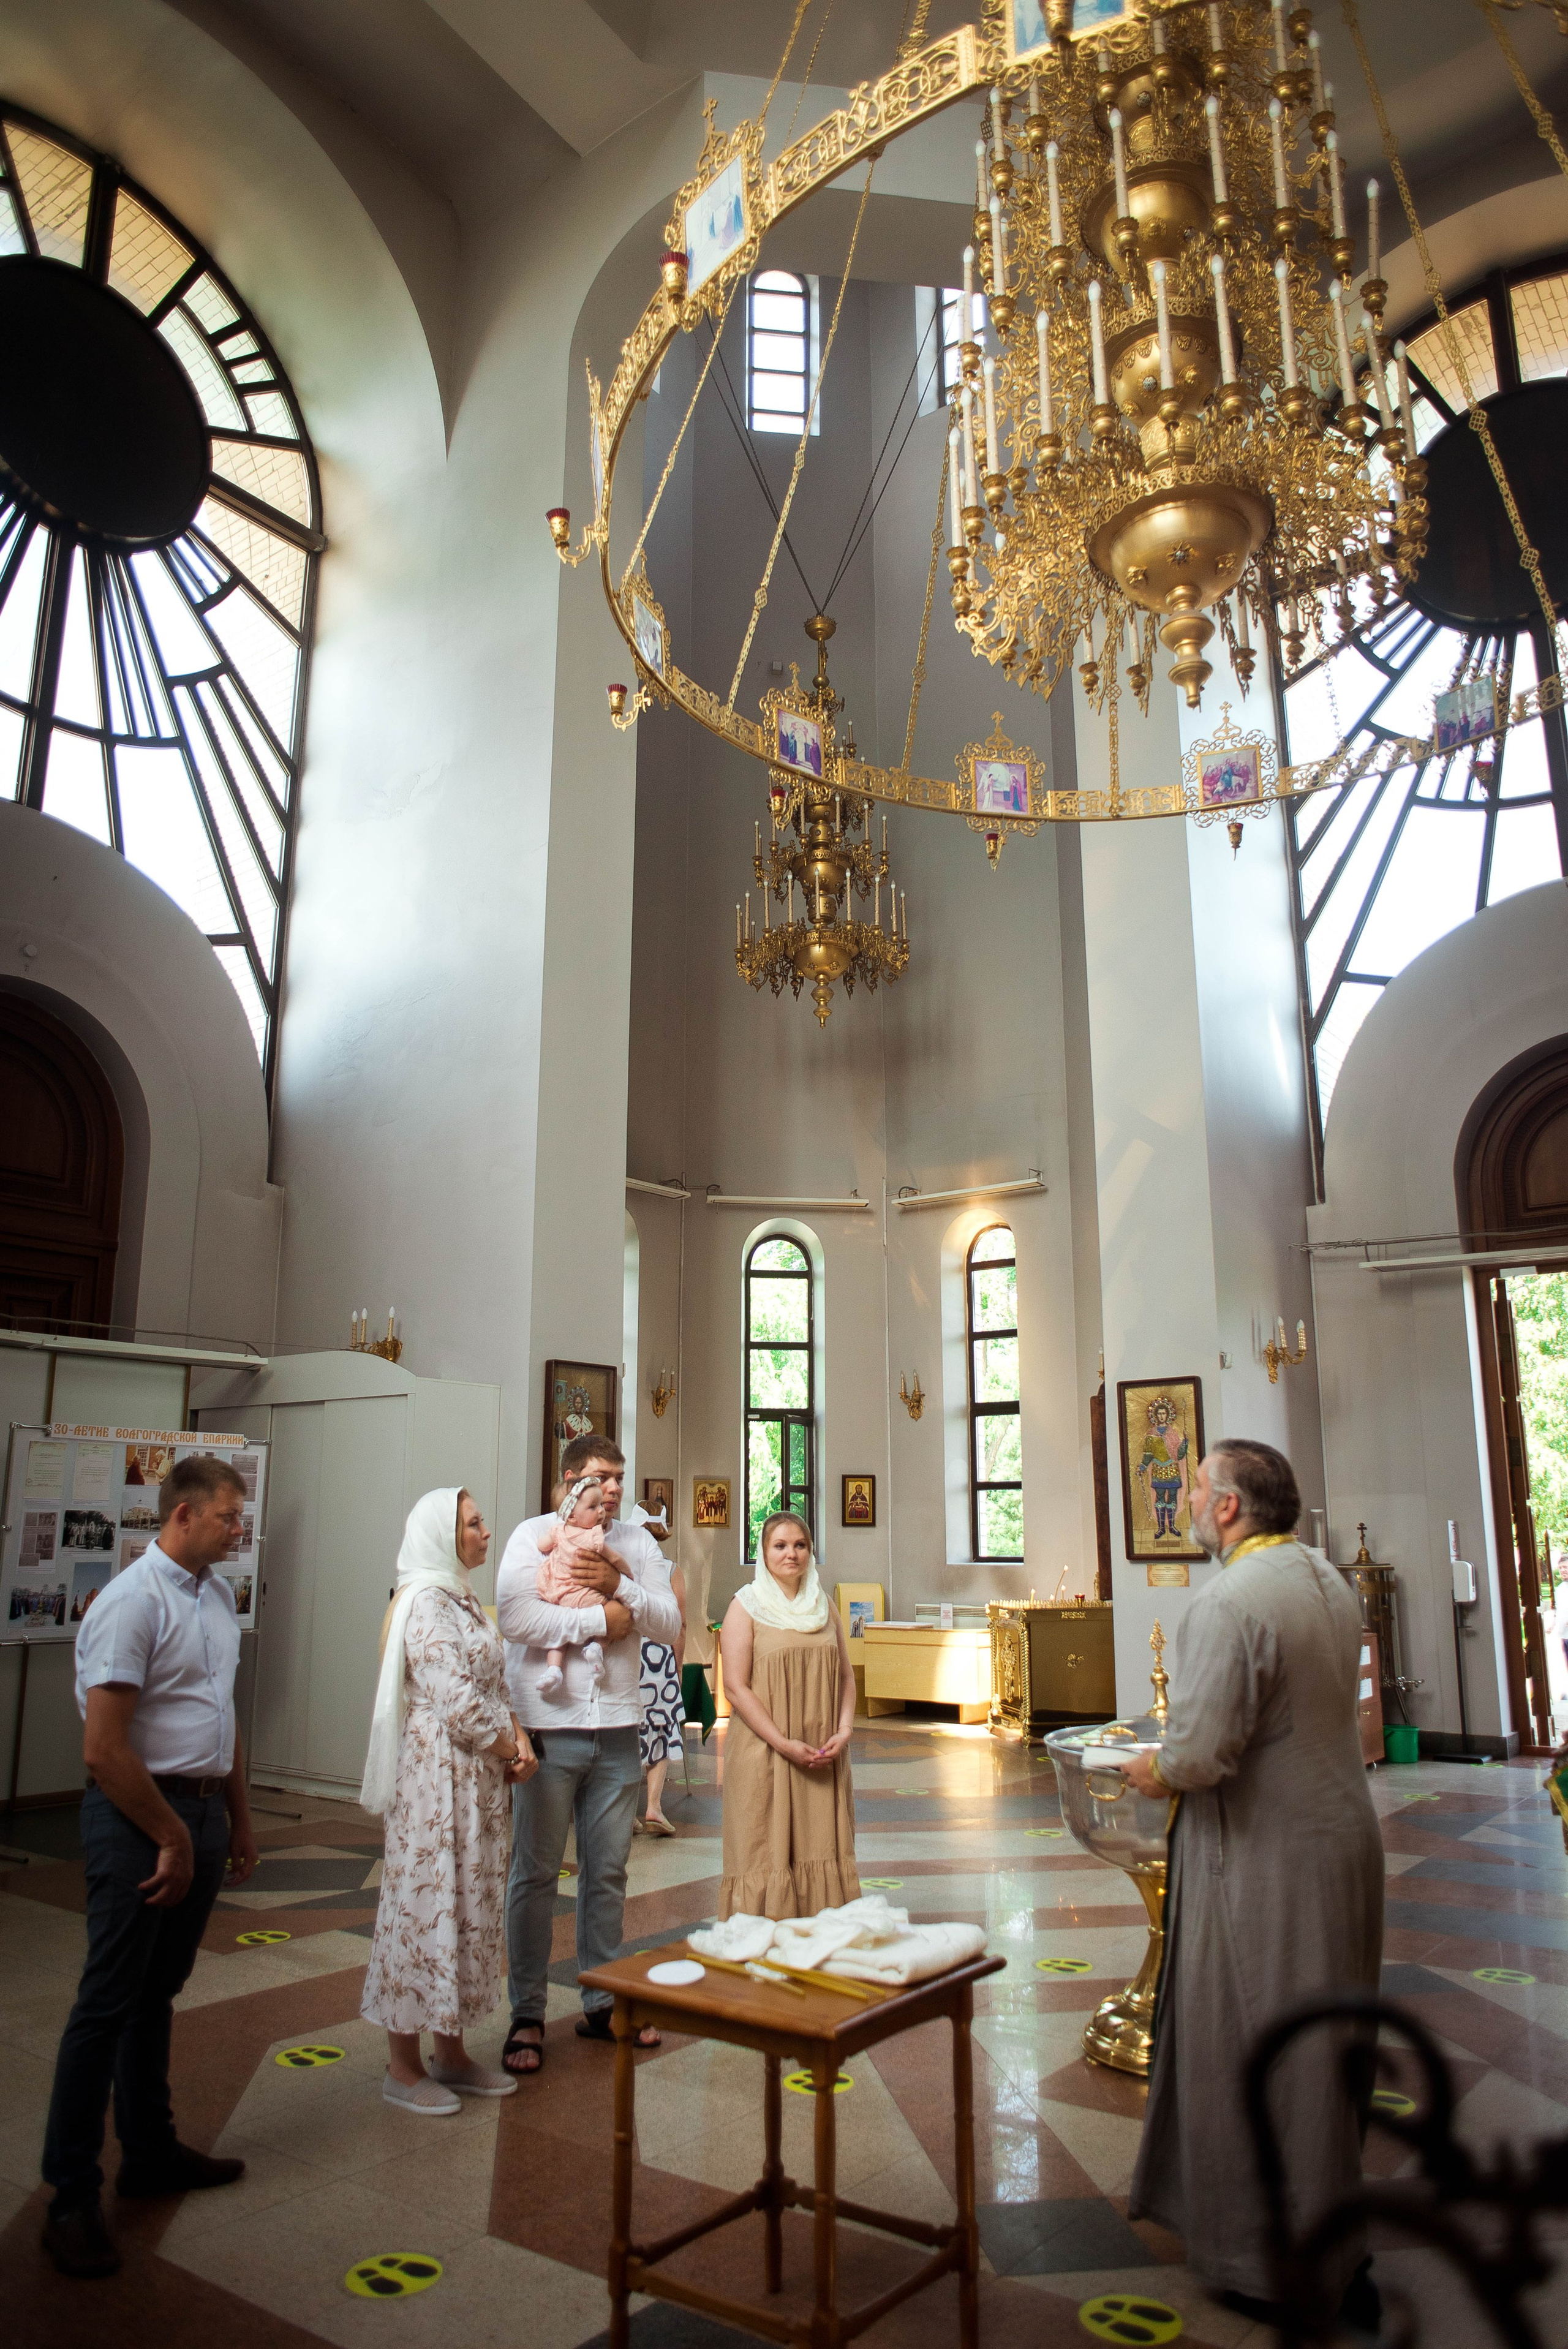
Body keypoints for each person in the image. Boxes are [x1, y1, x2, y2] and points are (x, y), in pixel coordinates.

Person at [1121, 1438, 1385, 2330]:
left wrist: (1149, 1767)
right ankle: (1342, 2237)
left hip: (1267, 1860)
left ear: (1229, 1507)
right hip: (1344, 1843)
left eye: (1196, 1488)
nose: (1188, 1499)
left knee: (1262, 2042)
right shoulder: (1326, 1579)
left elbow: (1200, 1754)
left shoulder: (1229, 1600)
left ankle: (1269, 2256)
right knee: (1332, 2047)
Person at [40, 1454, 260, 2280]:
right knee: (105, 2002)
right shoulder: (131, 1603)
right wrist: (169, 1833)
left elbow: (219, 1711)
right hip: (138, 1816)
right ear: (182, 1515)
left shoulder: (214, 1594)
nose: (241, 1528)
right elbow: (104, 1748)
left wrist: (236, 1815)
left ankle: (150, 2148)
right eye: (230, 1515)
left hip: (197, 1810)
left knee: (155, 1992)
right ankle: (68, 2194)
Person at [495, 1435, 682, 2075]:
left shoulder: (636, 1544)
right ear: (570, 1477)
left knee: (606, 1871)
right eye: (600, 1477)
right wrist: (602, 1621)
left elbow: (668, 1622)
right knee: (537, 1870)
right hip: (549, 1726)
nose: (612, 1489)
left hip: (619, 1728)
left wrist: (619, 1585)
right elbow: (517, 1617)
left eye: (620, 1478)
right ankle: (525, 2011)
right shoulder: (532, 1537)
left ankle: (600, 2001)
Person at [360, 1487, 535, 2113]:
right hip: (438, 1781)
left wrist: (515, 1738)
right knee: (425, 1902)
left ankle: (453, 2052)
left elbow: (493, 1679)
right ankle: (402, 2065)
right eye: (473, 1523)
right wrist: (510, 1747)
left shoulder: (460, 1596)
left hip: (476, 1780)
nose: (485, 1532)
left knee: (464, 1906)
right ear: (442, 1534)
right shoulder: (426, 1602)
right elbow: (456, 1700)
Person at [717, 1513, 859, 1919]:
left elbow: (847, 1677)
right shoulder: (746, 1605)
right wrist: (783, 1743)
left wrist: (845, 1730)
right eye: (780, 1545)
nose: (791, 1553)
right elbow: (735, 1687)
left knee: (821, 1846)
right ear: (763, 1552)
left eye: (800, 1544)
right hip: (767, 1752)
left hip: (821, 1752)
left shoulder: (824, 1604)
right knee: (766, 1848)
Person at [534, 1476, 610, 1694]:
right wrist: (627, 1575)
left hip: (557, 1592)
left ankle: (554, 1670)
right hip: (584, 1595)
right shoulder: (594, 1534)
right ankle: (597, 1647)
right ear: (573, 1516)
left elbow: (542, 1545)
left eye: (601, 1505)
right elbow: (612, 1558)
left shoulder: (559, 1531)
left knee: (558, 1636)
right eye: (593, 1507)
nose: (601, 1512)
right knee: (610, 1614)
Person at [638, 1545, 686, 1837]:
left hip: (628, 1651)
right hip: (659, 1654)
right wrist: (678, 1665)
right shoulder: (670, 1569)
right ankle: (653, 1805)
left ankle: (625, 1811)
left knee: (627, 1727)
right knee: (661, 1724)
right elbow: (680, 1622)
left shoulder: (626, 1558)